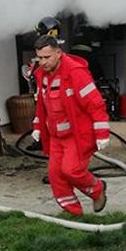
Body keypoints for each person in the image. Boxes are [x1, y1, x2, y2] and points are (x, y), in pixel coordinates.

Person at [31, 34, 110, 215]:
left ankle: (97, 189)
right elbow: (42, 105)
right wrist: (38, 127)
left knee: (71, 170)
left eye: (47, 57)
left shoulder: (75, 73)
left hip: (77, 134)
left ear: (58, 53)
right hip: (56, 136)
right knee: (55, 175)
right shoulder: (41, 75)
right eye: (39, 58)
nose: (42, 62)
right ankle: (73, 214)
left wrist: (102, 133)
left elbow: (95, 104)